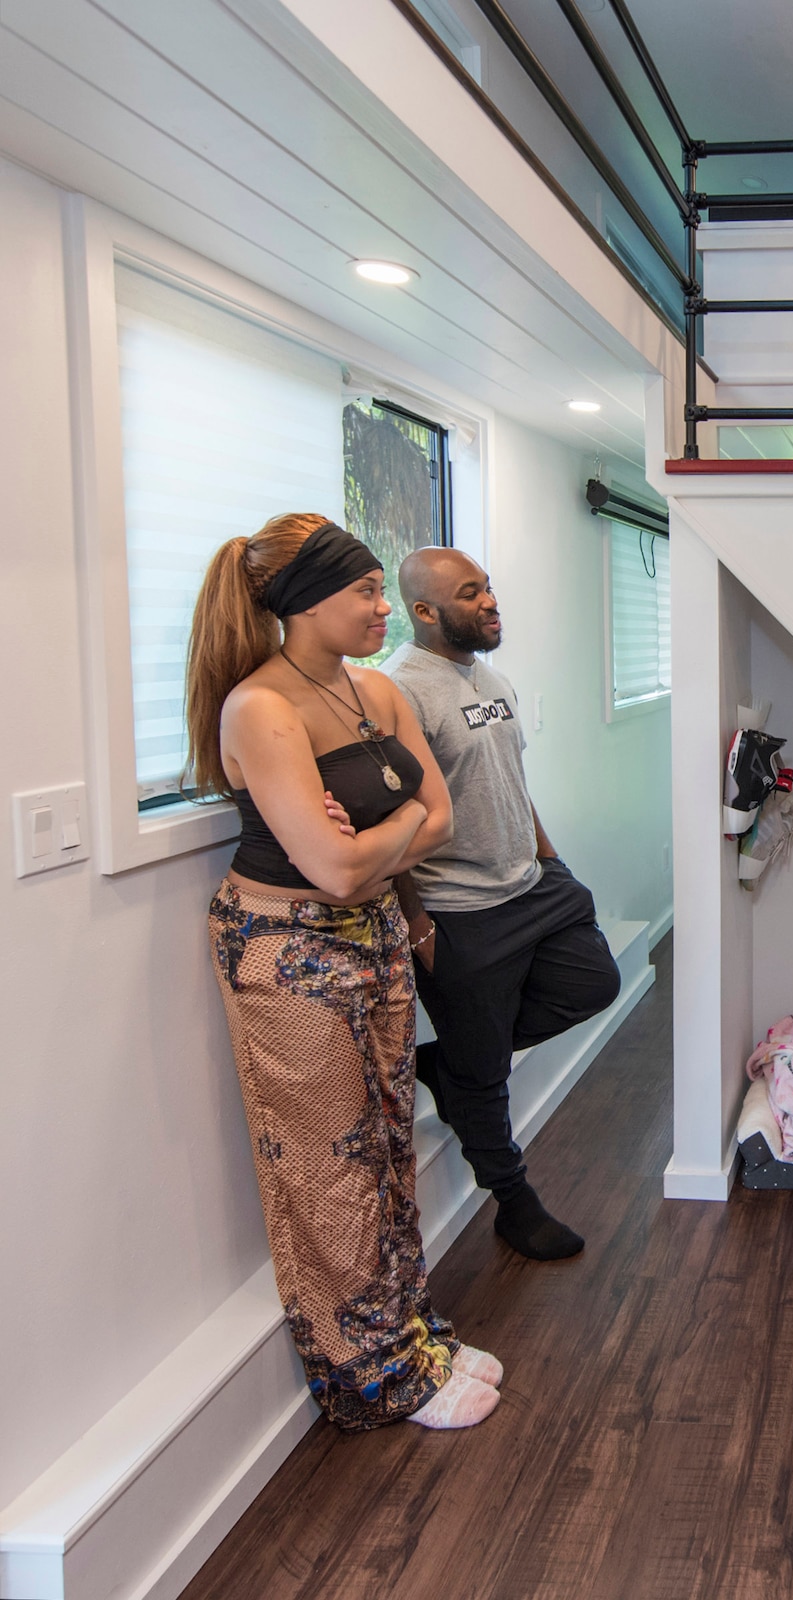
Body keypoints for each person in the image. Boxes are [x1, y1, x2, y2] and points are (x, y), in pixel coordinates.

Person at [189, 512, 502, 1431]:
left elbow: (437, 820)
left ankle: (412, 1337)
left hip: (374, 935)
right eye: (364, 591)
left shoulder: (376, 692)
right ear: (302, 602)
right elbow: (330, 869)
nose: (381, 607)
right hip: (287, 954)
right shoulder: (260, 707)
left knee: (388, 1146)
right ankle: (370, 1379)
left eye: (377, 590)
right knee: (329, 1170)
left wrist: (373, 836)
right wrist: (383, 834)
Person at [387, 546, 622, 1262]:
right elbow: (388, 820)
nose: (491, 601)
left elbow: (510, 782)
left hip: (533, 883)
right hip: (459, 909)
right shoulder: (401, 691)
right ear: (426, 612)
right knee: (485, 1079)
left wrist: (552, 862)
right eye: (471, 593)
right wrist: (418, 923)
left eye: (487, 587)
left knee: (595, 981)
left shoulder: (490, 677)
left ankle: (454, 1061)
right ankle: (512, 1202)